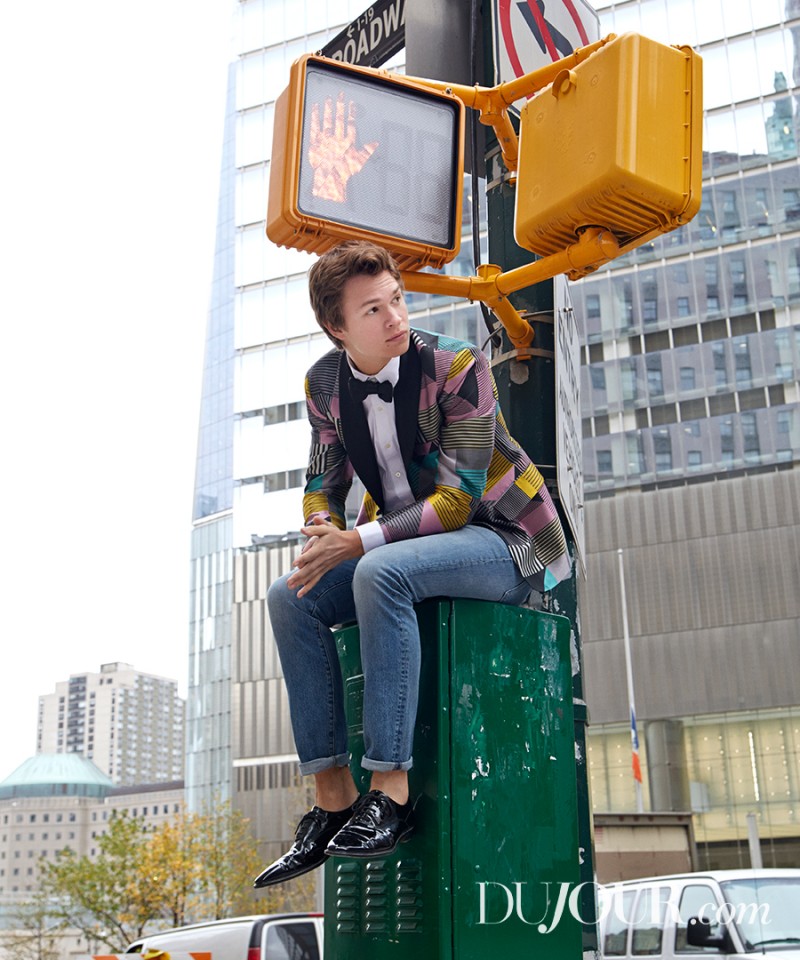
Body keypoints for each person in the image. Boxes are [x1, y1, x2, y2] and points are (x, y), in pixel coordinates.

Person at [253, 240, 570, 888]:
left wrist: (358, 540)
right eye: (373, 310)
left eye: (396, 298)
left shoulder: (457, 366)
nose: (395, 316)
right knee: (291, 595)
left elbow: (459, 502)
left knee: (379, 572)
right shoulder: (323, 386)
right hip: (408, 543)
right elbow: (323, 480)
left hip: (512, 543)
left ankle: (390, 795)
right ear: (337, 328)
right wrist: (321, 527)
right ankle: (333, 801)